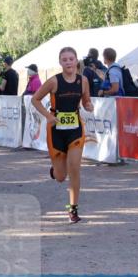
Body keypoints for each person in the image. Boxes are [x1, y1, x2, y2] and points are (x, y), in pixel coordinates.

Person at [30, 46, 94, 224]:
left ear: (76, 61)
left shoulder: (84, 81)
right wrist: (49, 116)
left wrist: (88, 105)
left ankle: (73, 209)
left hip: (75, 129)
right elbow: (35, 99)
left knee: (75, 168)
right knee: (60, 177)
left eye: (71, 59)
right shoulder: (54, 81)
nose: (68, 62)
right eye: (64, 59)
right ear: (60, 62)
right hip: (56, 131)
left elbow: (86, 100)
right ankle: (56, 169)